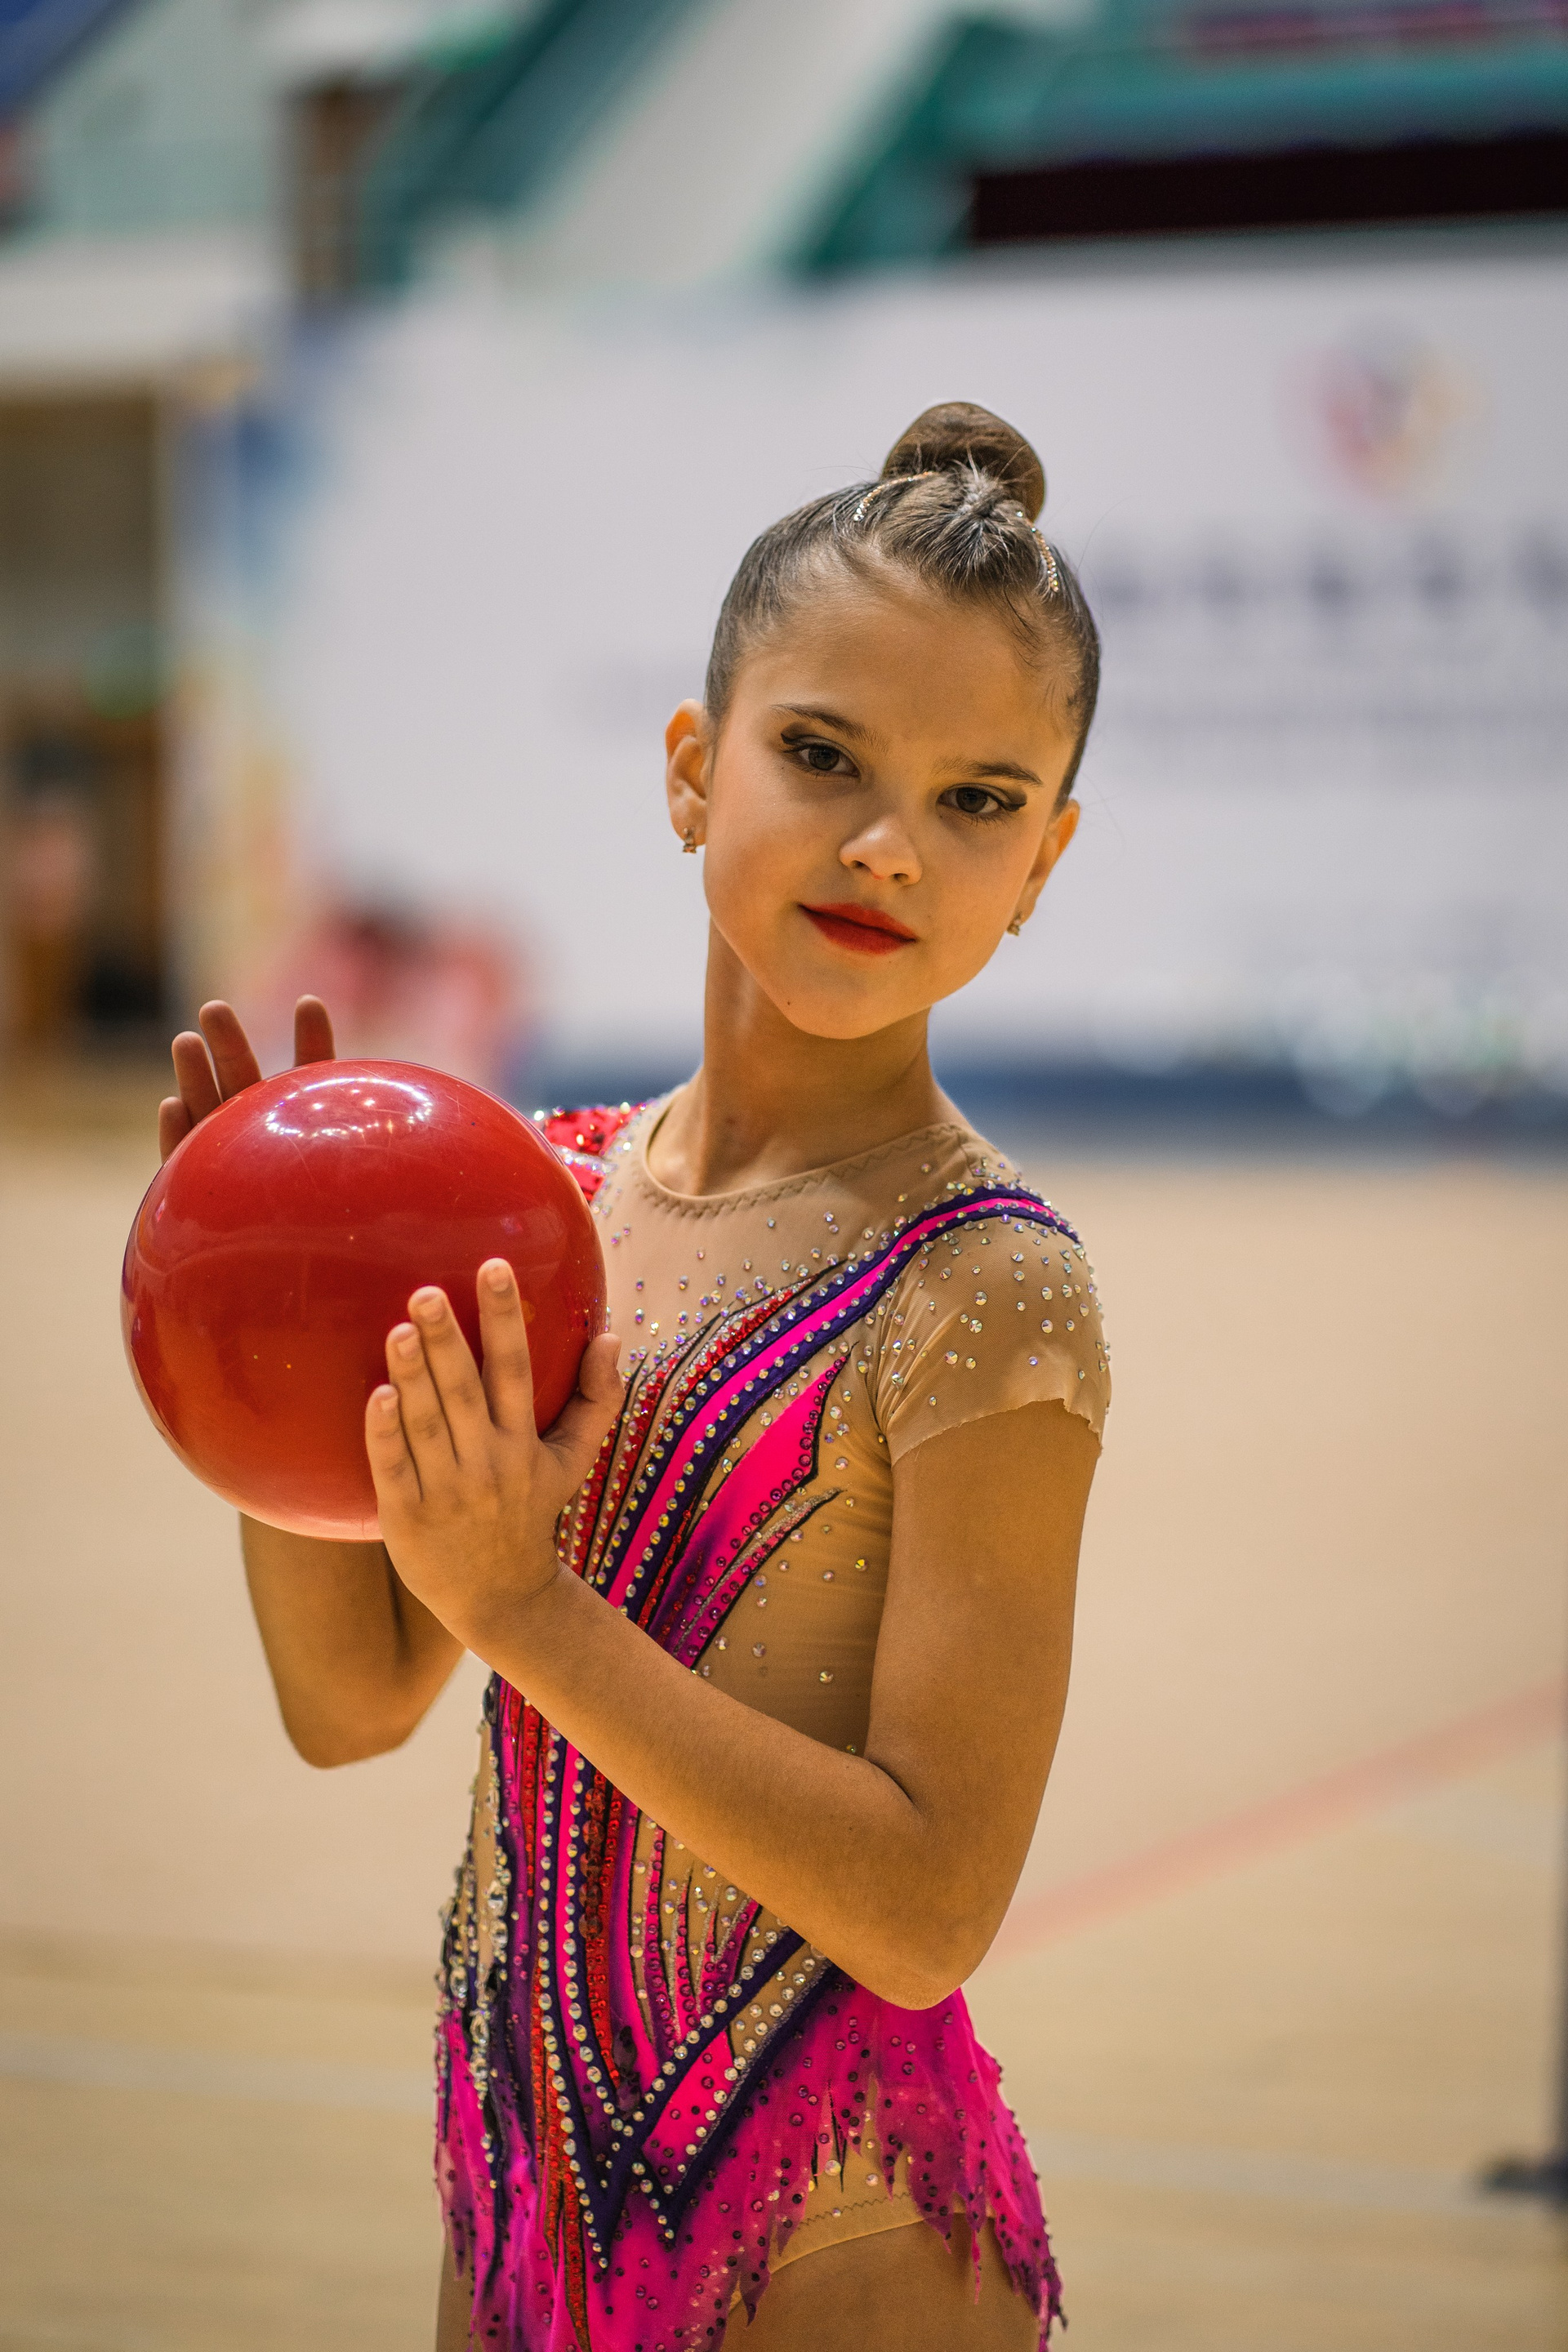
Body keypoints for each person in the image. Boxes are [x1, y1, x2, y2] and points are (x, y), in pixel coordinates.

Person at [158, 403, 1109, 2352]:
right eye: (822, 755)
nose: (885, 845)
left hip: (834, 2243)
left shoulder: (988, 1290)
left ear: (1044, 863)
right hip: (519, 2214)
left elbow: (926, 1911)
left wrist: (527, 1612)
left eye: (978, 800)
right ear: (692, 767)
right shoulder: (542, 1200)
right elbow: (349, 1701)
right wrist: (270, 1325)